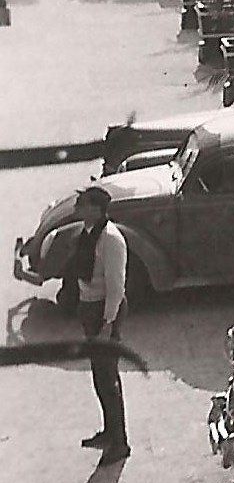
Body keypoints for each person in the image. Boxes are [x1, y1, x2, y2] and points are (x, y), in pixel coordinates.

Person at [68, 187, 130, 465]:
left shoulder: (111, 239)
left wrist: (108, 323)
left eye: (82, 203)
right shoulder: (88, 232)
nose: (77, 206)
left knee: (108, 379)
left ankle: (120, 443)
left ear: (96, 209)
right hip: (90, 308)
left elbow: (116, 288)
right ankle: (109, 432)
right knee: (99, 377)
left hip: (104, 312)